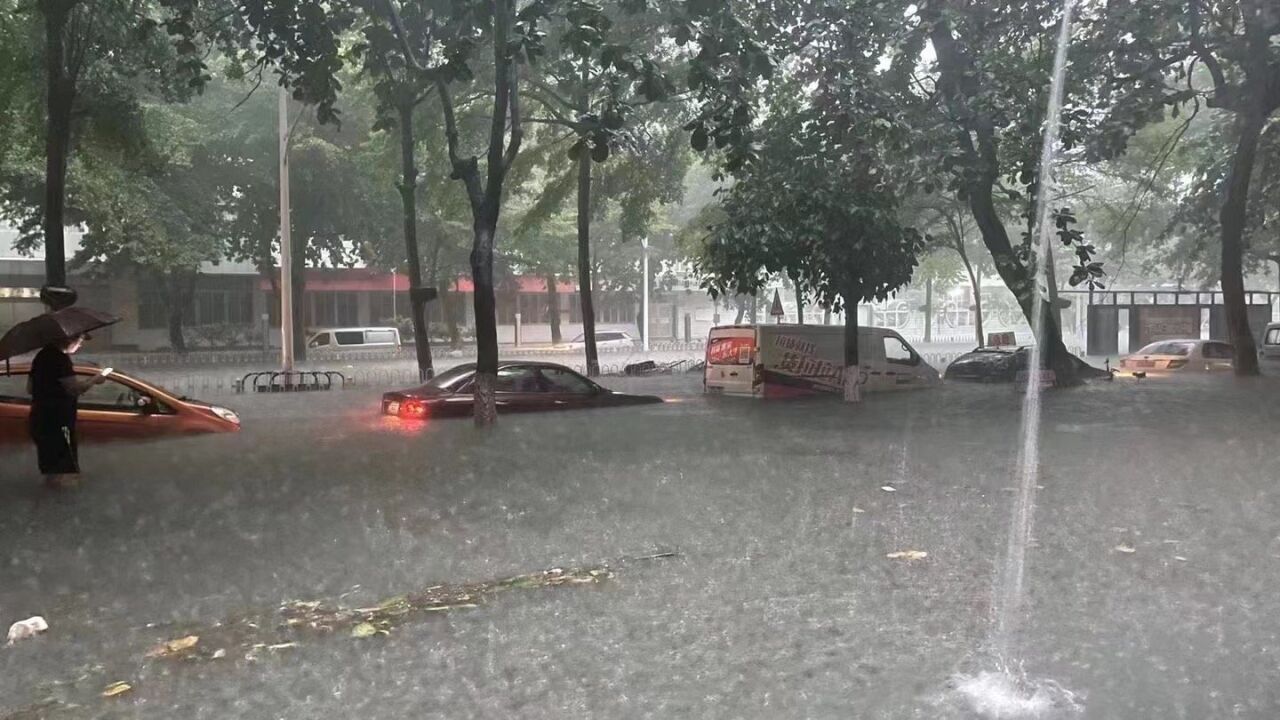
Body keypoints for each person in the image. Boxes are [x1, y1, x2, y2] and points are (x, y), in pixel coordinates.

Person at [26, 334, 105, 488]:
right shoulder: (60, 359)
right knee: (66, 473)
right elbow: (74, 389)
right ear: (69, 339)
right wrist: (96, 379)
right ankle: (64, 505)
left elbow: (29, 388)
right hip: (59, 422)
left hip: (40, 419)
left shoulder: (40, 357)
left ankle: (48, 504)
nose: (80, 345)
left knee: (51, 470)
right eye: (80, 341)